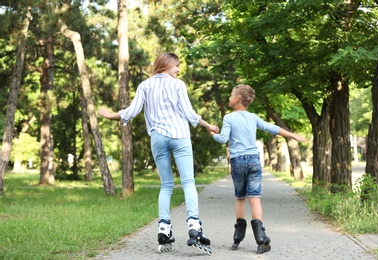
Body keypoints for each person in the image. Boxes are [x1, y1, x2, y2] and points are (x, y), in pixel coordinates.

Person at [98, 52, 218, 255]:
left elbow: (132, 110)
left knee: (166, 185)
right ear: (167, 64)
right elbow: (189, 113)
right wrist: (208, 126)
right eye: (176, 65)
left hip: (158, 138)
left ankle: (164, 229)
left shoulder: (145, 85)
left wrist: (111, 115)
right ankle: (194, 227)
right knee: (188, 182)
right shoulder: (177, 85)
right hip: (179, 135)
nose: (178, 69)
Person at [208, 84, 306, 254]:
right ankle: (261, 239)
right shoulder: (253, 117)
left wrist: (211, 132)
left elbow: (222, 139)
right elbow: (272, 128)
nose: (229, 98)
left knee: (240, 198)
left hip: (238, 161)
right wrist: (292, 135)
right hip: (253, 160)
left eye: (231, 95)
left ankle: (238, 236)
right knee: (255, 199)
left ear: (238, 99)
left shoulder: (229, 118)